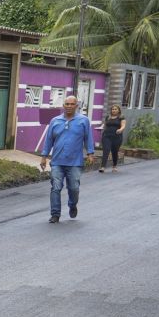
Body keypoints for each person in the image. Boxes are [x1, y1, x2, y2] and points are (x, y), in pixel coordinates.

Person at [38, 94, 92, 222]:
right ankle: (55, 214)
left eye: (72, 104)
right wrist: (44, 156)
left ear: (76, 106)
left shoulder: (83, 120)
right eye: (67, 104)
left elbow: (88, 138)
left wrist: (90, 153)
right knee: (55, 187)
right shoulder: (55, 121)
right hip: (57, 161)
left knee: (74, 188)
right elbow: (49, 140)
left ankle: (72, 205)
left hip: (75, 162)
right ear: (63, 106)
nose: (69, 106)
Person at [98, 103, 126, 173]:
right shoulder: (108, 117)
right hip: (106, 136)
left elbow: (123, 125)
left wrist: (120, 130)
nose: (113, 110)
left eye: (115, 109)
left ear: (118, 110)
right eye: (112, 109)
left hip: (116, 137)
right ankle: (103, 166)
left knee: (114, 151)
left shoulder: (121, 118)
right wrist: (100, 127)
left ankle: (114, 166)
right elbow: (105, 125)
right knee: (106, 150)